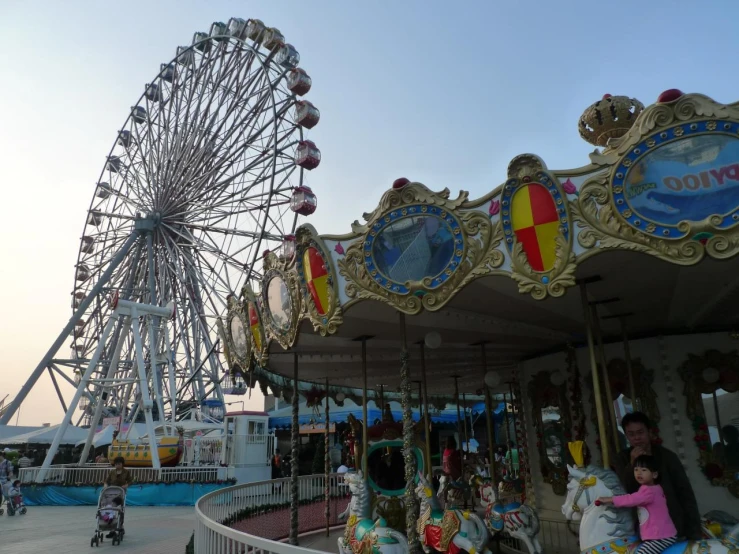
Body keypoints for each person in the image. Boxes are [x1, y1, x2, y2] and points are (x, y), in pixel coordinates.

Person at [614, 412, 701, 540]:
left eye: (640, 432)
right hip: (642, 526)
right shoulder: (622, 458)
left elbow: (685, 493)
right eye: (631, 434)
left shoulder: (667, 457)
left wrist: (693, 530)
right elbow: (625, 490)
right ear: (626, 436)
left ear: (649, 432)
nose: (637, 438)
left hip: (671, 522)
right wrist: (632, 464)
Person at [598, 455, 678, 554]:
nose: (639, 473)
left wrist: (610, 499)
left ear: (654, 475)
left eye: (644, 470)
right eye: (636, 469)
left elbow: (631, 499)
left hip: (660, 536)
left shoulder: (649, 491)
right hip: (659, 534)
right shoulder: (653, 488)